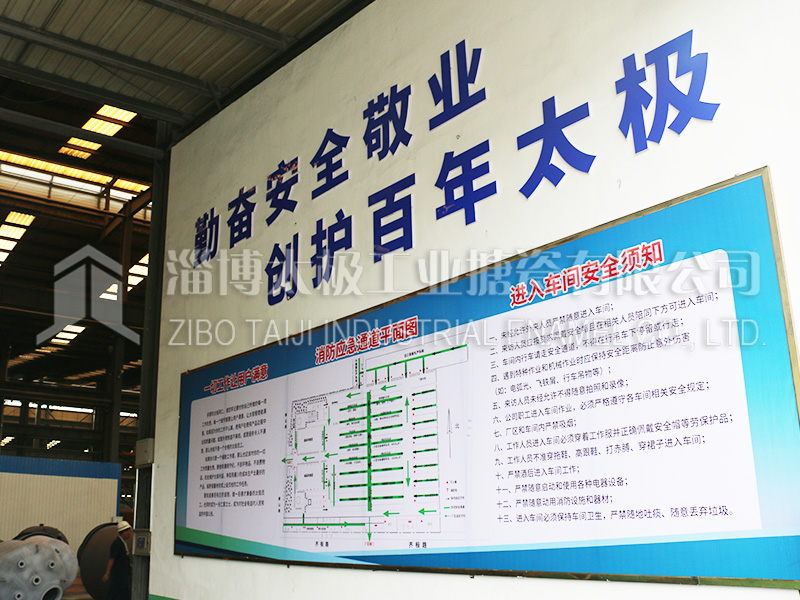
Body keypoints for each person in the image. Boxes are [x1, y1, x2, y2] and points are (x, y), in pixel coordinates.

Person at [102, 521, 133, 600]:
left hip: (123, 574)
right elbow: (112, 559)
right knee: (119, 593)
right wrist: (107, 573)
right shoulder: (117, 544)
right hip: (118, 575)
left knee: (117, 593)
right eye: (129, 531)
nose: (130, 534)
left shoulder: (123, 543)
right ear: (124, 532)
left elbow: (123, 558)